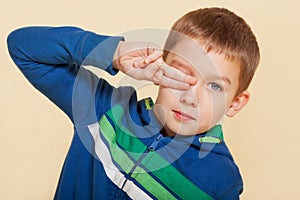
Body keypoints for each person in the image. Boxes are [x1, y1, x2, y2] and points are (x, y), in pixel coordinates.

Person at [7, 7, 260, 200]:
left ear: (236, 103)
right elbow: (22, 47)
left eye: (214, 86)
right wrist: (112, 53)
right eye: (181, 74)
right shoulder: (105, 109)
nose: (190, 97)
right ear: (160, 67)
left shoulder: (221, 181)